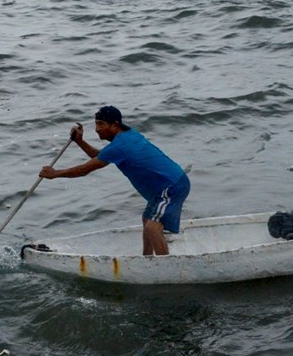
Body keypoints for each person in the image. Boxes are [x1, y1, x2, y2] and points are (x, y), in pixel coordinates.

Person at [39, 106, 190, 256]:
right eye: (96, 124)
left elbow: (84, 170)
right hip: (169, 184)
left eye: (101, 124)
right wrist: (80, 141)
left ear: (115, 125)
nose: (97, 129)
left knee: (152, 227)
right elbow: (101, 157)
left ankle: (163, 266)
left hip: (171, 186)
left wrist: (55, 173)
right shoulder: (128, 135)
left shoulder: (119, 146)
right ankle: (147, 259)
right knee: (147, 220)